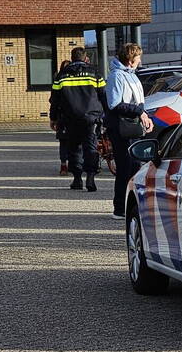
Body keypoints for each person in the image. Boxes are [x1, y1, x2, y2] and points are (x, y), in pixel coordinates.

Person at [105, 42, 154, 220]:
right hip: (120, 128)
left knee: (134, 166)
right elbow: (114, 103)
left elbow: (137, 103)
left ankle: (131, 206)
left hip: (131, 126)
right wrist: (139, 112)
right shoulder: (117, 76)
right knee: (125, 167)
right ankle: (119, 208)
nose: (140, 61)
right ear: (130, 59)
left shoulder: (130, 75)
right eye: (138, 57)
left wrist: (144, 115)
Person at [49, 48, 107, 192]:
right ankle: (91, 178)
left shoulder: (62, 75)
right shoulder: (94, 73)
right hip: (91, 118)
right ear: (85, 57)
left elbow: (54, 100)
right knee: (91, 148)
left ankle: (77, 179)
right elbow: (104, 96)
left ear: (72, 57)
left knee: (74, 149)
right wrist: (106, 115)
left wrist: (53, 118)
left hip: (70, 118)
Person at [52, 59, 71, 176]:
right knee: (64, 142)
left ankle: (72, 164)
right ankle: (64, 164)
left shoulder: (59, 80)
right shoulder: (59, 80)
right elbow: (54, 101)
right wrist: (53, 117)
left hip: (66, 116)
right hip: (63, 117)